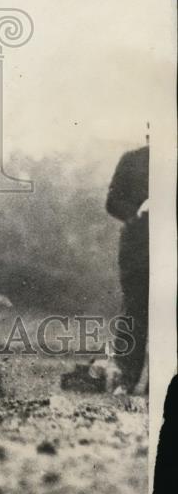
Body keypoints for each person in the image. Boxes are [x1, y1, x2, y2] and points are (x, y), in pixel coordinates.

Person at [106, 143, 149, 392]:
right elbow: (113, 202)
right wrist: (139, 210)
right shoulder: (133, 160)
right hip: (139, 249)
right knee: (135, 309)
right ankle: (126, 378)